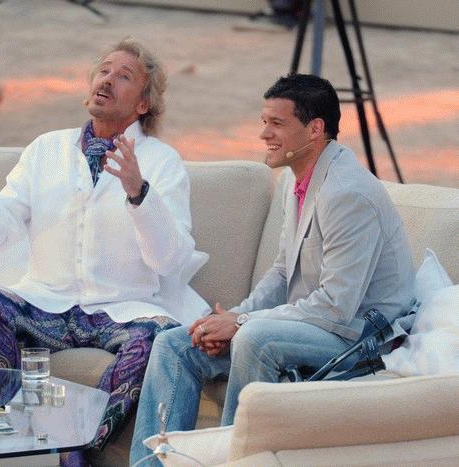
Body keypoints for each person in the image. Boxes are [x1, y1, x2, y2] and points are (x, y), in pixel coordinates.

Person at [130, 73, 415, 464]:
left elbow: (337, 307)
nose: (264, 133)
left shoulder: (346, 193)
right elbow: (283, 272)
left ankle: (234, 462)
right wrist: (233, 317)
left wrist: (242, 323)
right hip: (309, 326)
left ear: (315, 129)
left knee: (255, 338)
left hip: (360, 336)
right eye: (264, 121)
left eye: (277, 123)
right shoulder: (297, 181)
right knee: (176, 344)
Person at [0, 38, 207, 467]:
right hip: (47, 305)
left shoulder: (161, 162)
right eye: (104, 70)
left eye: (123, 76)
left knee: (159, 339)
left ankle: (75, 448)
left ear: (143, 104)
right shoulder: (46, 149)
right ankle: (15, 437)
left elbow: (170, 260)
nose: (107, 80)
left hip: (121, 311)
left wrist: (138, 192)